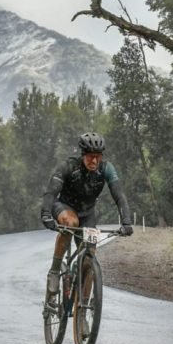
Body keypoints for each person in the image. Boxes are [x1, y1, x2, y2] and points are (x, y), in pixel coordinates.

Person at [40, 132, 133, 314]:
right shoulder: (68, 166)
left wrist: (126, 222)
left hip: (87, 214)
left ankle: (82, 310)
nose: (94, 161)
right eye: (90, 156)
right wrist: (46, 214)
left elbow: (119, 196)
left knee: (90, 254)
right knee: (71, 222)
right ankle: (55, 271)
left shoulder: (106, 169)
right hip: (64, 207)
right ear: (83, 155)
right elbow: (51, 192)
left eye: (98, 156)